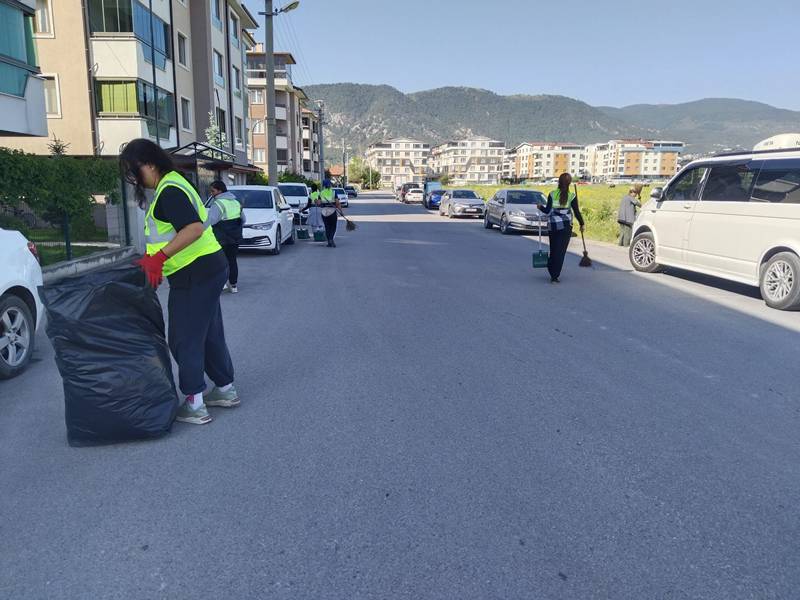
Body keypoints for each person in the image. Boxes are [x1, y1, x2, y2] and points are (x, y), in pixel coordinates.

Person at [120, 139, 239, 426]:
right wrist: (156, 260)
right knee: (208, 332)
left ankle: (194, 402)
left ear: (148, 164)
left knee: (185, 337)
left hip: (194, 272)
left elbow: (194, 229)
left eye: (134, 171)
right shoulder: (175, 182)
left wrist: (158, 258)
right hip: (209, 267)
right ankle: (224, 389)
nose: (135, 179)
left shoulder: (169, 191)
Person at [537, 172, 585, 283]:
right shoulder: (572, 196)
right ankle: (555, 276)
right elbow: (577, 212)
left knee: (553, 249)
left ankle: (550, 266)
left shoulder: (552, 194)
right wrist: (582, 224)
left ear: (559, 182)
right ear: (569, 183)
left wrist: (540, 207)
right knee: (561, 252)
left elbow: (548, 211)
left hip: (553, 226)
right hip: (566, 227)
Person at [205, 180, 244, 293]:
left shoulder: (218, 204)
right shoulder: (236, 202)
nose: (211, 193)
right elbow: (243, 219)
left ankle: (222, 285)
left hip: (221, 237)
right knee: (232, 260)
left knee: (220, 261)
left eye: (213, 191)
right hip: (235, 236)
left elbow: (211, 221)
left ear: (220, 190)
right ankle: (234, 285)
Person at [308, 179, 342, 247]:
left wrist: (315, 201)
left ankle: (329, 242)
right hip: (332, 211)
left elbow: (319, 203)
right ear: (330, 185)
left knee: (327, 227)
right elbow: (337, 203)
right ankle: (331, 239)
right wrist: (341, 211)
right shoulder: (333, 192)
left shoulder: (321, 193)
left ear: (323, 186)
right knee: (333, 226)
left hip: (324, 212)